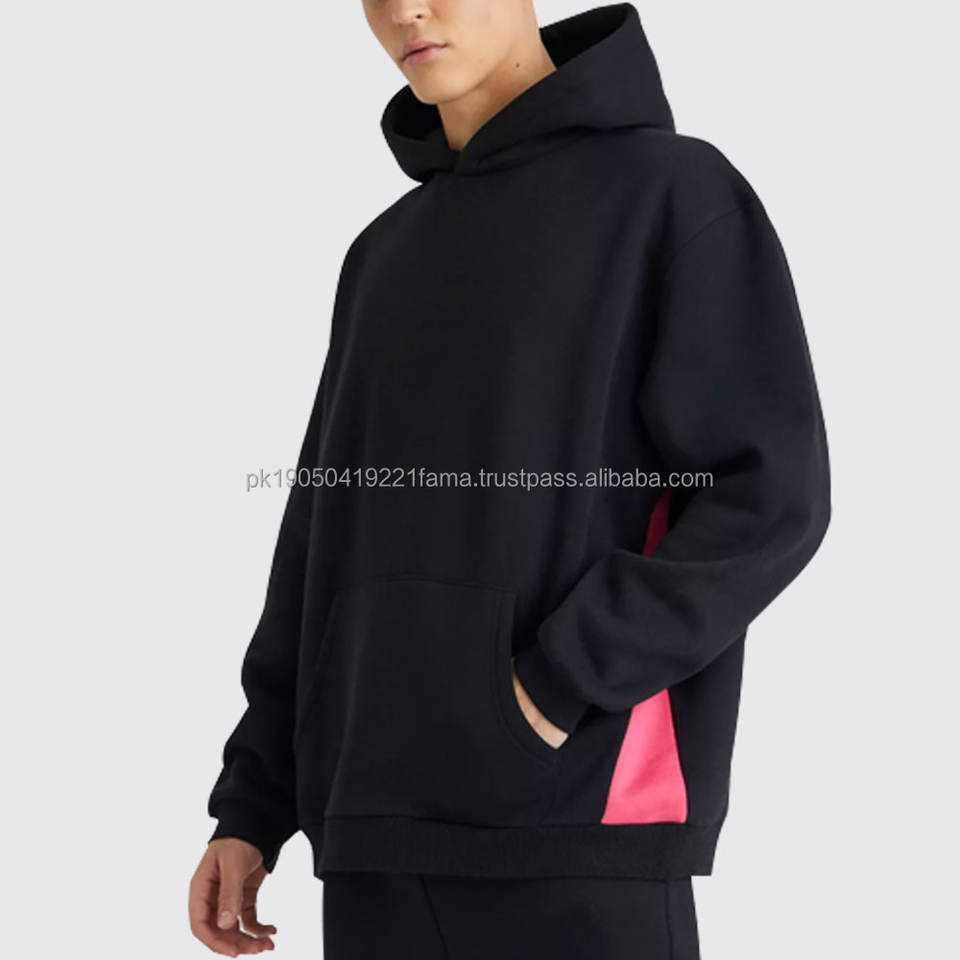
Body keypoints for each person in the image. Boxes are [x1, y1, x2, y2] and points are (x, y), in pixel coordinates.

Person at [188, 2, 831, 957]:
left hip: (573, 826)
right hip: (370, 839)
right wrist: (253, 803)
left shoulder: (671, 193)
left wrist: (559, 682)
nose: (406, 10)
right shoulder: (382, 253)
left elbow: (768, 494)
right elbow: (320, 537)